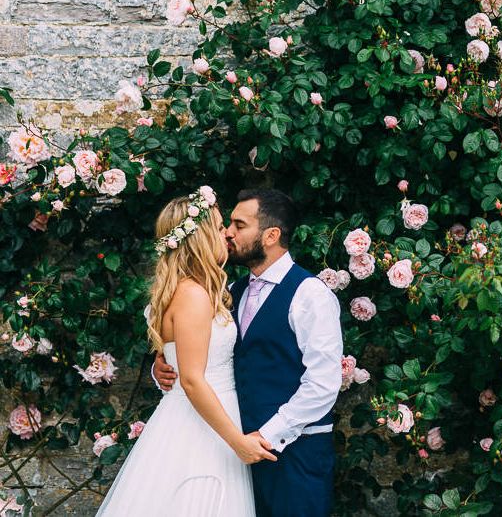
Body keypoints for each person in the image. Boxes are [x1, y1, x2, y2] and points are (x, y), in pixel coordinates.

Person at [154, 188, 343, 516]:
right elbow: (201, 354)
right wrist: (165, 368)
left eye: (239, 226)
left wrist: (267, 436)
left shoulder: (309, 294)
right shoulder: (229, 294)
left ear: (270, 235)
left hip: (292, 453)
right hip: (234, 451)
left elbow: (323, 384)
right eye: (227, 224)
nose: (228, 232)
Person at [98, 186, 273, 516]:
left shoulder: (193, 290)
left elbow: (180, 361)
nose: (226, 234)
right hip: (202, 430)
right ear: (202, 236)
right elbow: (192, 380)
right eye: (220, 226)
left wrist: (160, 365)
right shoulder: (193, 294)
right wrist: (237, 442)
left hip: (201, 418)